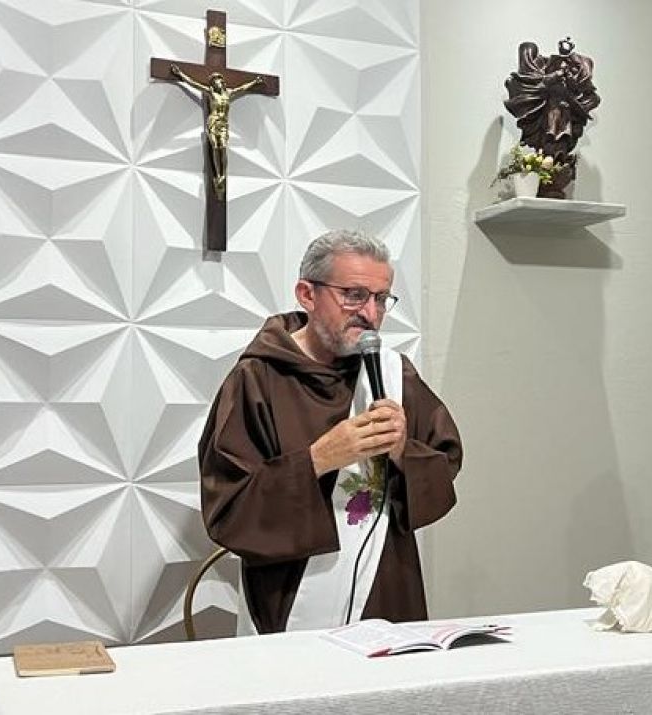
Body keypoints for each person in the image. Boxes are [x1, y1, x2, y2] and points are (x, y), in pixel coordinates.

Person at [198, 229, 462, 634]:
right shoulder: (257, 379)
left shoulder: (393, 373)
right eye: (354, 295)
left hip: (386, 586)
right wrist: (318, 460)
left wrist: (400, 450)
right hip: (290, 597)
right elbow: (229, 510)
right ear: (307, 294)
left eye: (381, 299)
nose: (370, 314)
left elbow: (445, 465)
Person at [170, 64, 265, 199]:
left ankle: (222, 175)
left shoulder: (228, 93)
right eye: (214, 82)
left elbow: (242, 88)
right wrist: (180, 74)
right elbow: (194, 84)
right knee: (216, 146)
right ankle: (217, 174)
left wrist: (255, 82)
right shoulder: (211, 93)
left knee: (223, 148)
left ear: (222, 83)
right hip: (213, 122)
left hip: (223, 123)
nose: (217, 83)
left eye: (218, 81)